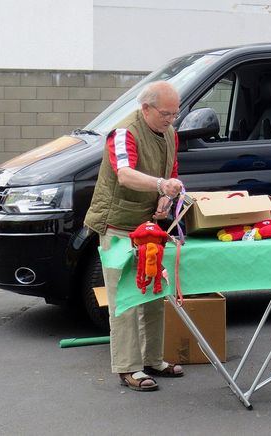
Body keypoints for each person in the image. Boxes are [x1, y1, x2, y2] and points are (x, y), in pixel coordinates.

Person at [84, 81, 185, 392]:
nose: (172, 119)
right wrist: (159, 186)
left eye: (175, 113)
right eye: (166, 113)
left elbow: (172, 173)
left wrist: (166, 197)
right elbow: (125, 175)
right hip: (117, 225)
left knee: (155, 290)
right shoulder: (124, 133)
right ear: (146, 109)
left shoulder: (170, 134)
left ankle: (153, 359)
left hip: (147, 227)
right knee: (125, 297)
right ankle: (129, 368)